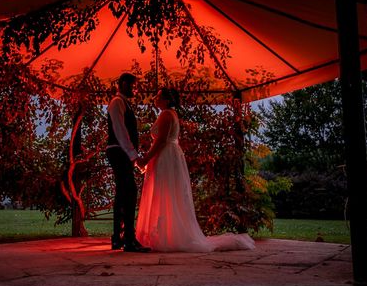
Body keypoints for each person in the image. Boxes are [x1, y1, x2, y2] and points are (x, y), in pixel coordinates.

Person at [135, 88, 255, 252]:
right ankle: (167, 234)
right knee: (169, 194)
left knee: (163, 193)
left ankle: (164, 236)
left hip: (165, 157)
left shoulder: (166, 115)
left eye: (158, 96)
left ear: (166, 100)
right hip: (171, 155)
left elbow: (161, 140)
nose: (155, 98)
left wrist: (145, 159)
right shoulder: (172, 114)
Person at [106, 73, 151, 253]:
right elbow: (120, 131)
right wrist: (134, 156)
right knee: (130, 192)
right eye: (134, 86)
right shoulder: (117, 102)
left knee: (122, 193)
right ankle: (129, 240)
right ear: (123, 84)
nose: (136, 89)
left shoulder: (123, 103)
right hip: (119, 151)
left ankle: (118, 237)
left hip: (119, 151)